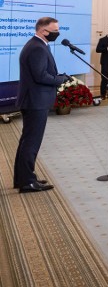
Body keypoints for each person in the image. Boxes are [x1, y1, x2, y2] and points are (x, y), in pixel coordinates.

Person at [14, 16, 68, 193]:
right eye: (54, 31)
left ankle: (24, 178)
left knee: (27, 141)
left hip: (34, 100)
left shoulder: (37, 45)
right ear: (42, 30)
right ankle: (27, 182)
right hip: (35, 101)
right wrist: (59, 79)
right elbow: (40, 76)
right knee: (31, 143)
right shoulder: (36, 47)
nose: (57, 34)